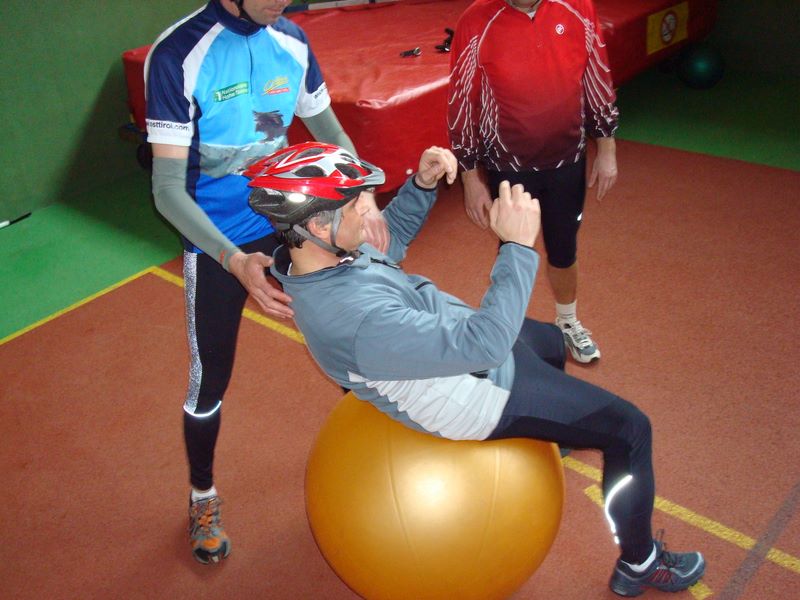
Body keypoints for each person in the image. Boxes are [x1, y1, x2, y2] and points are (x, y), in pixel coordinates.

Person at [245, 141, 705, 596]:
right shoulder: (354, 319)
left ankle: (555, 435)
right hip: (475, 390)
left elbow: (388, 243)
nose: (370, 212)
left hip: (461, 339)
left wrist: (422, 185)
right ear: (318, 224)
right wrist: (517, 246)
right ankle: (640, 562)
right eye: (358, 205)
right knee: (630, 429)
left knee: (550, 341)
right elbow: (485, 346)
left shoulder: (318, 256)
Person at [144, 0, 389, 564]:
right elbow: (167, 190)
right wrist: (233, 261)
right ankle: (202, 495)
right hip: (216, 240)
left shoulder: (292, 41)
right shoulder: (179, 54)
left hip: (289, 222)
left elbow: (332, 133)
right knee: (210, 379)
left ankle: (382, 450)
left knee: (353, 338)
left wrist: (363, 197)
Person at [447, 0, 619, 363]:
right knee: (513, 253)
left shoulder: (577, 8)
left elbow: (597, 77)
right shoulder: (476, 21)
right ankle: (506, 334)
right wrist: (470, 178)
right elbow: (462, 100)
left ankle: (568, 321)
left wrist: (607, 147)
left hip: (567, 160)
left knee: (564, 249)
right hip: (509, 165)